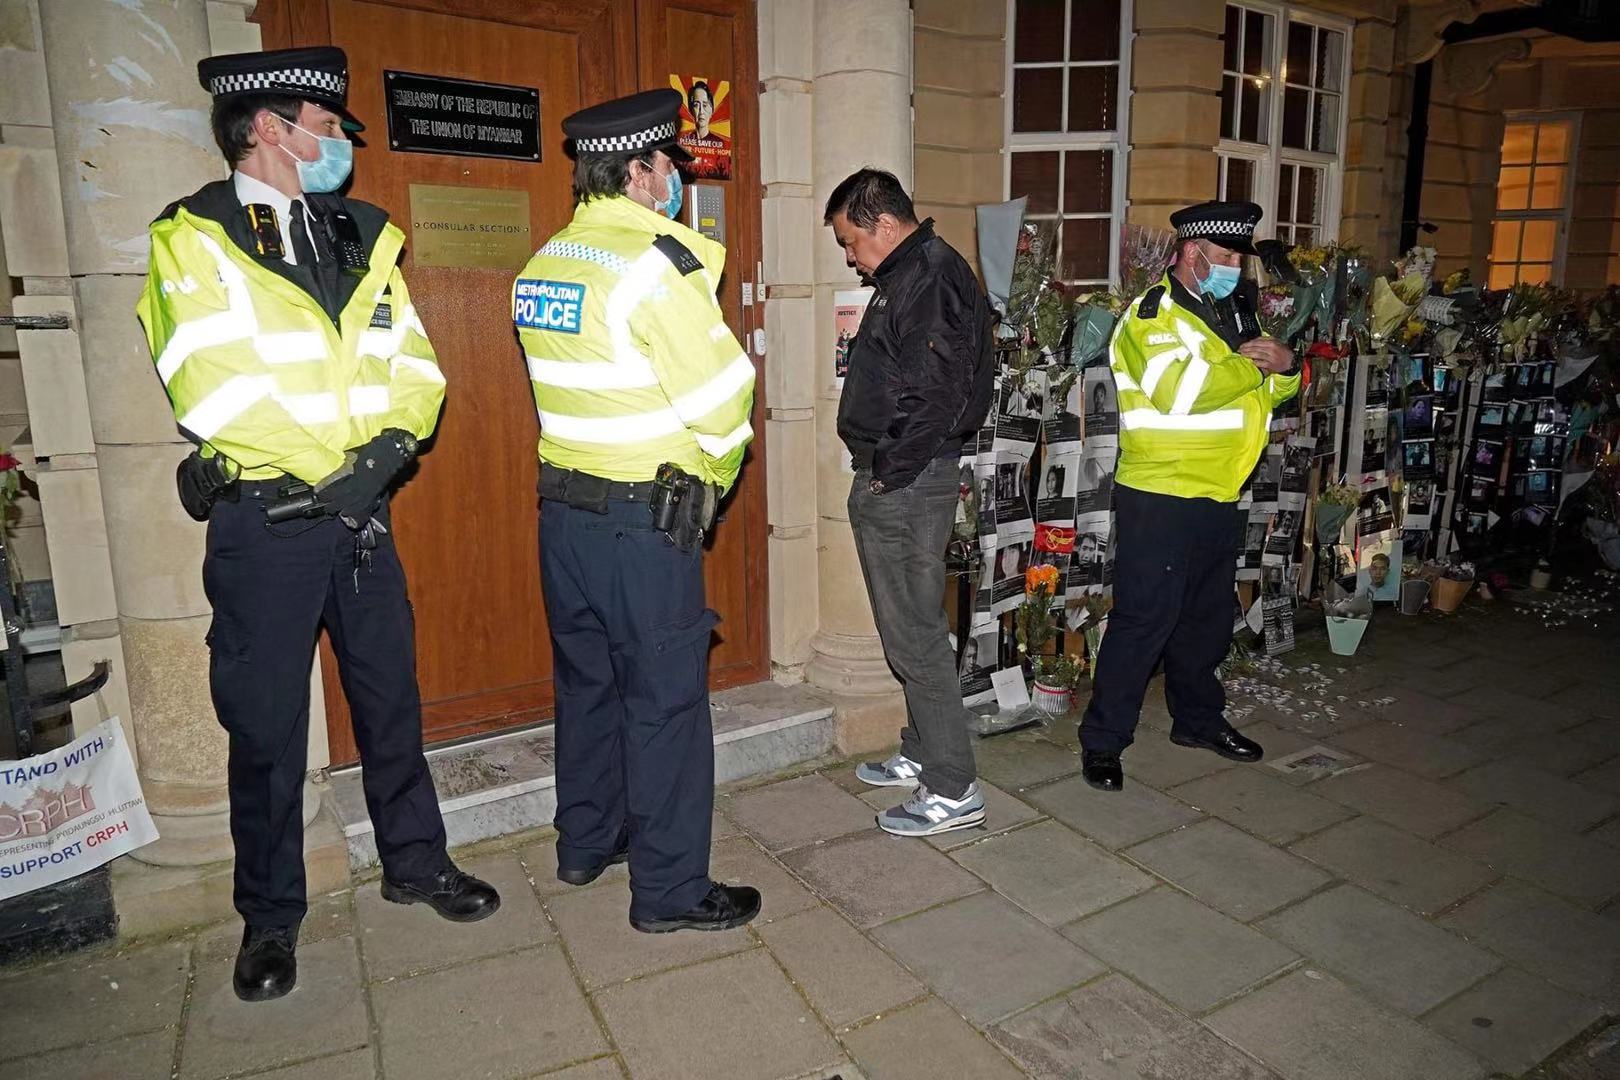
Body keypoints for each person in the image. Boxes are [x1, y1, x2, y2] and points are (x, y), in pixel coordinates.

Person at [136, 47, 498, 1003]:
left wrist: (383, 457)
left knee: (390, 699)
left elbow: (413, 366)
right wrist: (336, 475)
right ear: (269, 128)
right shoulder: (194, 239)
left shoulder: (359, 235)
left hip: (362, 513)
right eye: (326, 125)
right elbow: (214, 390)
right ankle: (269, 917)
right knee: (265, 727)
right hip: (268, 522)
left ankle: (416, 862)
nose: (338, 142)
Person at [512, 89, 759, 932]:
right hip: (642, 526)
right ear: (640, 172)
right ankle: (669, 891)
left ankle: (586, 843)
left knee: (586, 687)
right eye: (669, 165)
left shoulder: (545, 263)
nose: (676, 179)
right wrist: (710, 487)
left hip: (563, 517)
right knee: (665, 704)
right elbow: (724, 402)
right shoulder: (657, 265)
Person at [1077, 200, 1300, 792]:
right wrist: (1257, 368)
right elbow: (1180, 392)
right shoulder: (1151, 315)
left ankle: (1197, 721)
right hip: (1162, 493)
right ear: (1191, 253)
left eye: (1239, 259)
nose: (1235, 268)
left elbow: (1266, 392)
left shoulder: (1232, 312)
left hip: (1220, 491)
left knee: (1206, 619)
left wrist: (1288, 366)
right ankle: (1103, 742)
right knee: (1143, 621)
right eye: (1225, 256)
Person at [824, 169, 996, 836]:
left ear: (885, 225)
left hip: (907, 482)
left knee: (915, 635)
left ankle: (953, 788)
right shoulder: (912, 274)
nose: (849, 256)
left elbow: (936, 396)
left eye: (851, 241)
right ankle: (924, 750)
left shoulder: (928, 277)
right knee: (910, 627)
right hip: (905, 477)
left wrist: (885, 474)